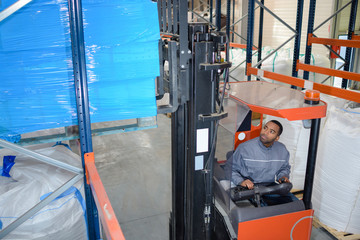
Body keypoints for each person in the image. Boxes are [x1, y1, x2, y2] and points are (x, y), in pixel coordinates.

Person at [230, 120, 297, 206]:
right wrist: (241, 181)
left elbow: (284, 168)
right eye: (265, 128)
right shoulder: (244, 148)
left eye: (271, 131)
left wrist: (283, 176)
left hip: (270, 187)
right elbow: (231, 169)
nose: (265, 132)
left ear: (277, 138)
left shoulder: (282, 150)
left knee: (294, 205)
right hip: (249, 188)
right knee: (264, 210)